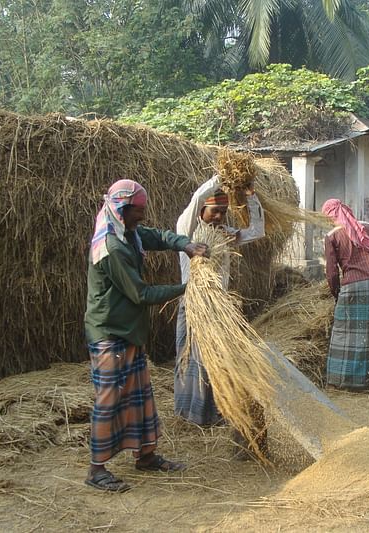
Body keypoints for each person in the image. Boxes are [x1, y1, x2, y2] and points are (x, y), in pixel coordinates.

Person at [84, 179, 208, 492]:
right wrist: (186, 289)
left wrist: (184, 244)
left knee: (140, 395)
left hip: (129, 330)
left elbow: (154, 235)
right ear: (122, 209)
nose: (143, 216)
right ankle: (96, 469)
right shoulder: (111, 248)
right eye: (138, 211)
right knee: (109, 399)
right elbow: (141, 294)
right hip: (110, 331)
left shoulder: (127, 231)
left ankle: (146, 456)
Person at [174, 175, 266, 438]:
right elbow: (196, 199)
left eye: (223, 212)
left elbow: (257, 230)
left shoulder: (226, 235)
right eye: (214, 211)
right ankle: (188, 413)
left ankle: (213, 413)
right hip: (192, 304)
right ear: (202, 211)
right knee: (191, 357)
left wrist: (251, 197)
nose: (218, 217)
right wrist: (220, 179)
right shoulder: (187, 231)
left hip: (219, 307)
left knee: (216, 360)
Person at [322, 199, 369, 391]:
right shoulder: (368, 227)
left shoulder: (332, 236)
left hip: (351, 286)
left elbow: (331, 272)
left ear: (329, 216)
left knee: (344, 334)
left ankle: (341, 381)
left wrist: (336, 292)